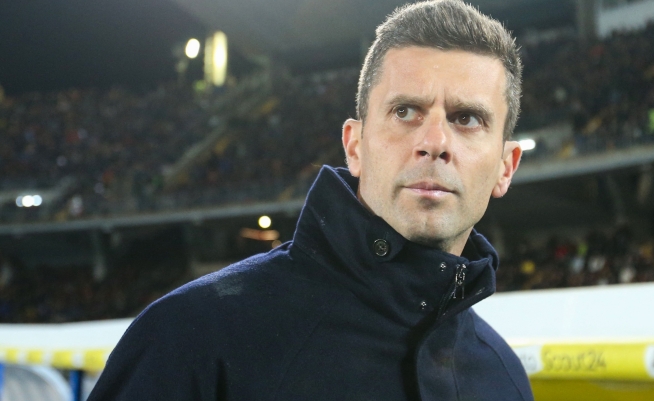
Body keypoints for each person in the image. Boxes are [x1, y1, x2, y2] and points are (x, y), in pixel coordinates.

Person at [88, 1, 532, 399]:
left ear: (506, 167)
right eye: (405, 111)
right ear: (355, 146)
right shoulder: (192, 338)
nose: (434, 141)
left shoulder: (503, 377)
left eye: (467, 118)